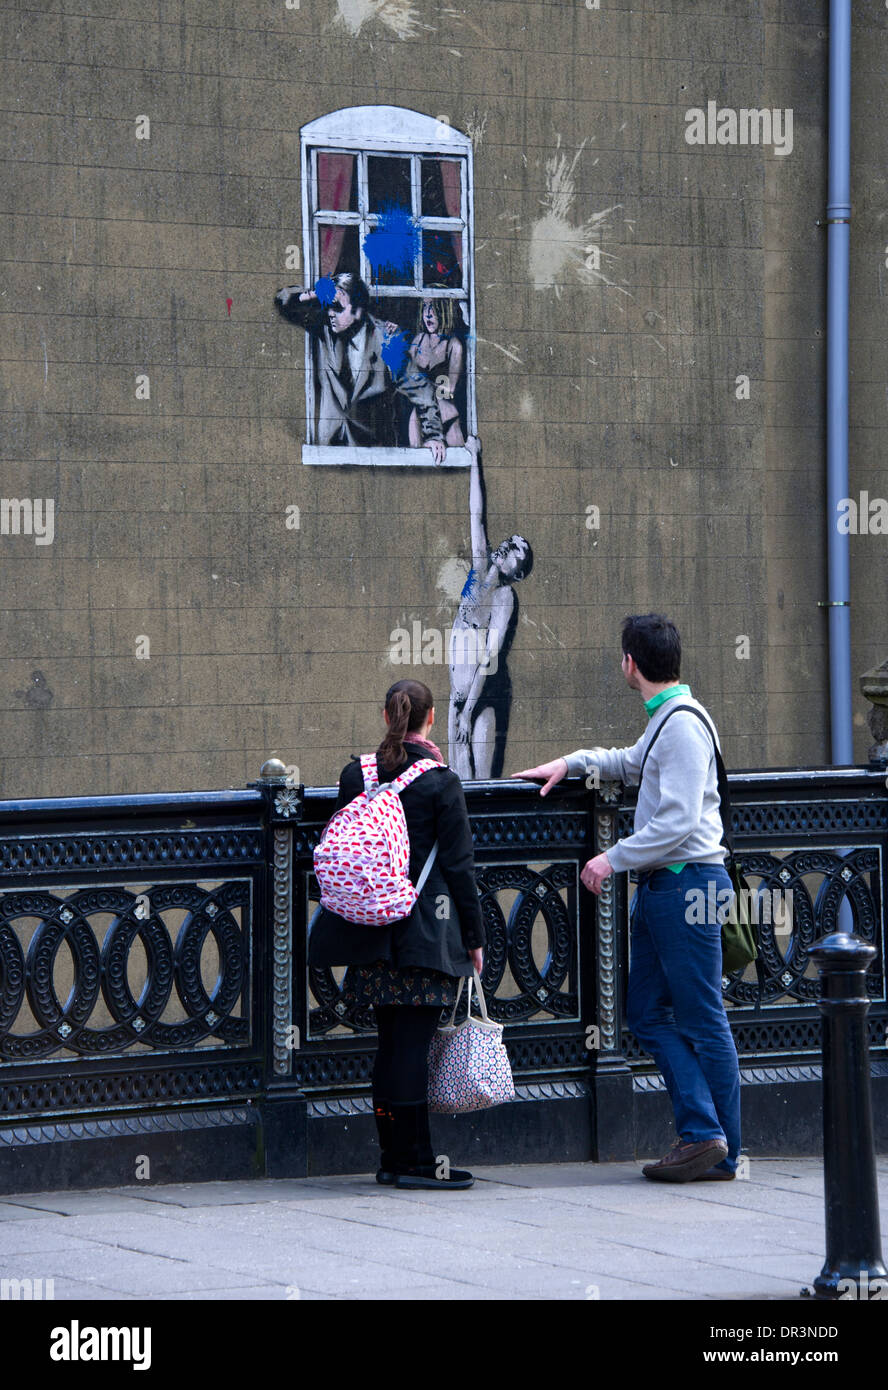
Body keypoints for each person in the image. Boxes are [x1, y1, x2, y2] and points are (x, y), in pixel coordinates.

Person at [513, 614, 741, 1182]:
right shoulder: (667, 718)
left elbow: (678, 822)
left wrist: (610, 858)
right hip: (673, 886)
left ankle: (717, 1144)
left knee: (703, 1018)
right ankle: (706, 1134)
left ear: (629, 664)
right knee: (646, 1012)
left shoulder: (682, 725)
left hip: (687, 885)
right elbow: (629, 761)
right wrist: (569, 763)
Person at [308, 678, 486, 1189]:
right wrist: (473, 939)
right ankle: (416, 1161)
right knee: (410, 1049)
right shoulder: (440, 781)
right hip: (423, 935)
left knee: (390, 1047)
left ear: (387, 716)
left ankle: (392, 1155)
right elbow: (459, 867)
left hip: (367, 932)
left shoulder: (355, 774)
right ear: (430, 720)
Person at [274, 272, 445, 459]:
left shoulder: (386, 341)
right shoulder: (325, 329)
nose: (331, 314)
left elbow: (422, 391)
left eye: (338, 308)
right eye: (328, 307)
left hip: (374, 455)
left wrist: (434, 436)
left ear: (358, 309)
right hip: (330, 451)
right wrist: (316, 293)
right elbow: (283, 301)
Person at [449, 435, 533, 780]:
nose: (509, 545)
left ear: (518, 572)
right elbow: (476, 515)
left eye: (517, 551)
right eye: (511, 542)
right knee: (456, 785)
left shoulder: (505, 598)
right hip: (458, 700)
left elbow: (488, 659)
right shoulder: (478, 573)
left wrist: (469, 712)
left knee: (479, 789)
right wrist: (474, 458)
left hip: (480, 703)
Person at [406, 298, 465, 448]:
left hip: (447, 417)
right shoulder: (418, 341)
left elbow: (449, 389)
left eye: (434, 307)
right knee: (419, 465)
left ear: (444, 310)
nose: (428, 314)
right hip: (420, 417)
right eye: (425, 307)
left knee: (456, 464)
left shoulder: (454, 345)